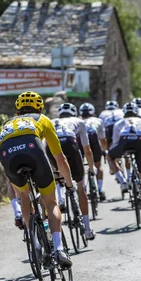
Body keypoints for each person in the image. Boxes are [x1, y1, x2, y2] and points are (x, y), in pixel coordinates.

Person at [0, 91, 75, 269]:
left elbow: (3, 157)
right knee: (51, 202)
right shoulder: (42, 119)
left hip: (8, 156)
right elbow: (59, 158)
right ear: (39, 107)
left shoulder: (7, 124)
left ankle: (35, 244)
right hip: (33, 150)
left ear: (17, 109)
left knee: (24, 197)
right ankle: (59, 248)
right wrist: (69, 185)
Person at [48, 102, 96, 241]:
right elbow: (87, 149)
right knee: (80, 187)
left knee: (57, 173)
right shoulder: (79, 122)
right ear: (74, 113)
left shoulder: (51, 121)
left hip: (52, 146)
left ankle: (61, 197)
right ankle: (87, 229)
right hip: (70, 142)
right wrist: (91, 169)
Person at [108, 102, 141, 218]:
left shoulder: (118, 123)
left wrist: (117, 161)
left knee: (109, 157)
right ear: (136, 113)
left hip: (124, 141)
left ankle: (123, 182)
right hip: (139, 141)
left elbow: (115, 143)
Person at [79, 102, 108, 201]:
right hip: (93, 137)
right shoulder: (98, 121)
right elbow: (103, 139)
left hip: (81, 141)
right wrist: (104, 150)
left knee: (80, 166)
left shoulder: (78, 121)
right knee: (98, 165)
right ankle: (100, 189)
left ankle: (83, 189)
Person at [99, 100, 127, 194]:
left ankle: (113, 167)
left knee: (109, 150)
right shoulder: (120, 111)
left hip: (108, 128)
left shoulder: (103, 113)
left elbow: (100, 127)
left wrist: (104, 149)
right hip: (120, 128)